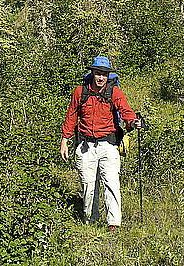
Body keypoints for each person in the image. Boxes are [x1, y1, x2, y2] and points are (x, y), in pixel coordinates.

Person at [60, 55, 141, 230]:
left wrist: (133, 121)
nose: (101, 78)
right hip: (85, 146)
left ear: (108, 76)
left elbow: (125, 110)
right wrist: (64, 140)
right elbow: (71, 117)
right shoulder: (80, 92)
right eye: (98, 73)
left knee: (111, 183)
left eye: (104, 74)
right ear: (92, 73)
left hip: (109, 146)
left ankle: (114, 224)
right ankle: (91, 222)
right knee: (88, 187)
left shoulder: (114, 92)